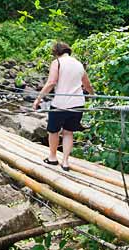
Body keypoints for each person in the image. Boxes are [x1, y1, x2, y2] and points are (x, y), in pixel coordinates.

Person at [32, 41, 94, 171]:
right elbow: (87, 85)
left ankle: (53, 158)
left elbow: (51, 82)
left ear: (56, 53)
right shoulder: (78, 64)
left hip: (60, 104)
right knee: (68, 132)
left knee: (53, 131)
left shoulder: (57, 63)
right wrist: (93, 95)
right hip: (78, 105)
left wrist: (38, 98)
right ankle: (65, 162)